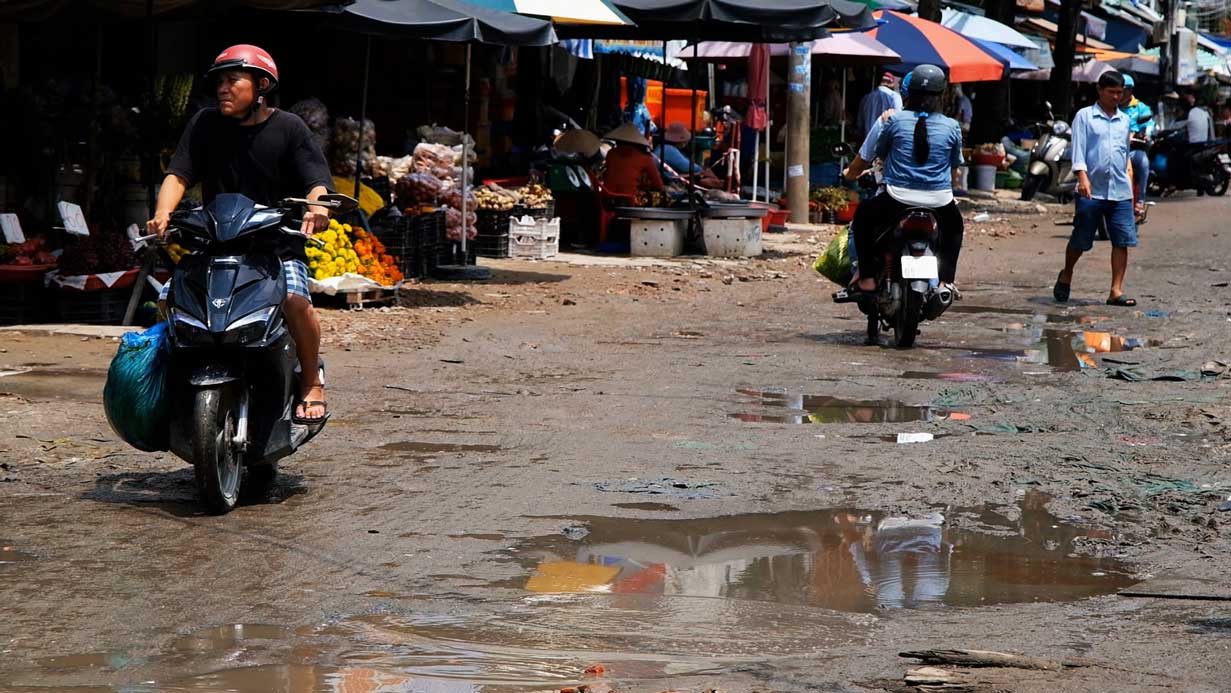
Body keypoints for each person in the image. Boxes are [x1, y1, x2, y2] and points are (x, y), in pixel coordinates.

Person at [147, 44, 335, 424]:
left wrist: (318, 210)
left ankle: (310, 379)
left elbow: (316, 182)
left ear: (261, 85)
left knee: (295, 301)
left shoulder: (289, 128)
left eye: (233, 80)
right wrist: (162, 213)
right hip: (216, 244)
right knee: (170, 300)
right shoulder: (205, 124)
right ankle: (176, 381)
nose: (223, 88)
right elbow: (178, 174)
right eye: (219, 82)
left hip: (276, 247)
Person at [843, 64, 964, 295]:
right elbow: (953, 173)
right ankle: (946, 282)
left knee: (862, 218)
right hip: (939, 201)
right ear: (942, 94)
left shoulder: (893, 121)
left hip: (896, 199)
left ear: (908, 93)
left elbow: (879, 154)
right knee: (955, 228)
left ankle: (867, 278)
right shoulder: (952, 126)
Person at [1053, 70, 1138, 307]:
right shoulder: (1084, 116)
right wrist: (1082, 177)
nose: (1116, 97)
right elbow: (1078, 149)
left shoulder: (1125, 120)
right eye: (1111, 92)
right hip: (1091, 189)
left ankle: (1115, 290)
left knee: (1122, 240)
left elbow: (1124, 155)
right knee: (1081, 239)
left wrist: (1132, 189)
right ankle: (1067, 273)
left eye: (1119, 93)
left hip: (1120, 190)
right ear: (1100, 90)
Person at [1117, 74, 1153, 210]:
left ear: (1130, 91)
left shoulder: (1140, 107)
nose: (1119, 94)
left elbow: (1149, 124)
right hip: (1114, 148)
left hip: (1133, 149)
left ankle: (1140, 200)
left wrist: (1146, 133)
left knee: (1143, 163)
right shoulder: (1112, 107)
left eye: (1122, 91)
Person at [600, 123, 664, 197]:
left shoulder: (611, 153)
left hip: (606, 196)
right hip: (629, 199)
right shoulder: (644, 157)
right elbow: (658, 185)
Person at [856, 72, 902, 141]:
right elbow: (898, 121)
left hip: (868, 140)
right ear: (891, 83)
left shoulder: (866, 98)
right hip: (886, 141)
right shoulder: (895, 97)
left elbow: (860, 124)